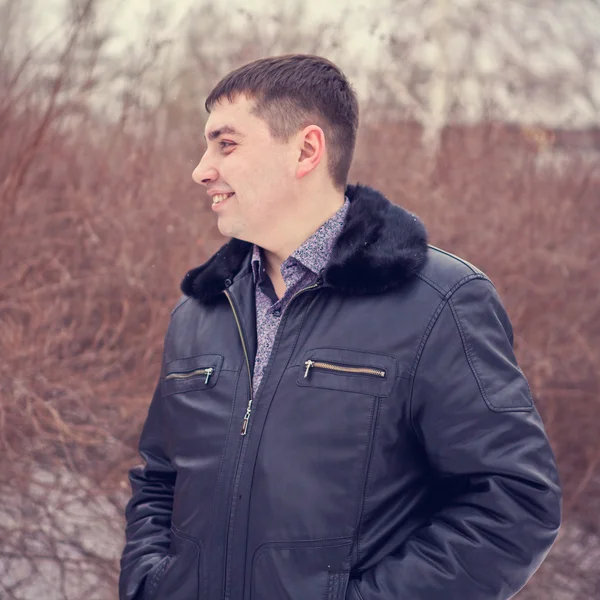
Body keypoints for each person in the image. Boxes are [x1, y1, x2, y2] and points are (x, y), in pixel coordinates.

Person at [119, 54, 562, 600]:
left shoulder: (437, 302)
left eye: (226, 144)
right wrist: (150, 584)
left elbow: (514, 501)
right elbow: (160, 480)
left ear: (307, 150)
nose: (201, 168)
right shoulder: (199, 314)